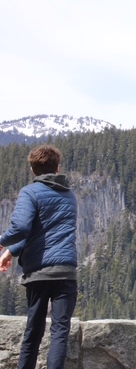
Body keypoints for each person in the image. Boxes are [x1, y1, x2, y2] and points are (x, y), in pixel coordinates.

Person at [0, 144, 78, 369]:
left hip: (40, 272)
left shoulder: (30, 192)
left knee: (34, 331)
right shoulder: (69, 196)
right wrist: (11, 252)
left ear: (33, 170)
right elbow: (42, 230)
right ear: (57, 168)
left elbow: (23, 228)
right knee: (60, 331)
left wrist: (3, 242)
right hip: (65, 270)